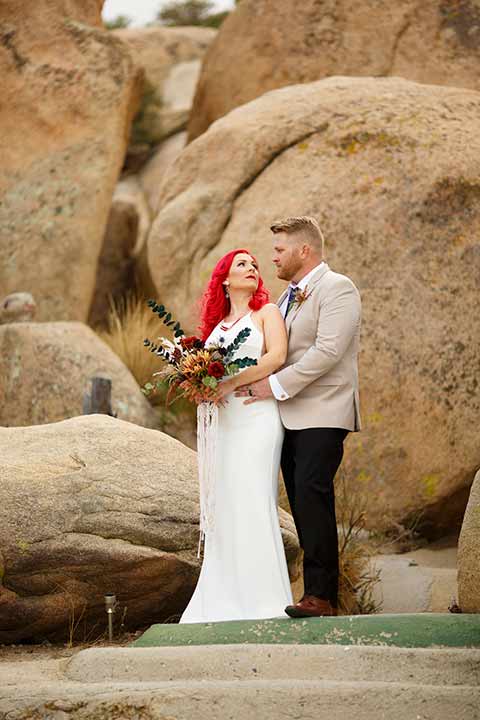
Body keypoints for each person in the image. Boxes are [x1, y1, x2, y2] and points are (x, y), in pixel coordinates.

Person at [236, 216, 362, 618]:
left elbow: (326, 353)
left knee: (313, 494)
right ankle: (312, 592)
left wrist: (271, 387)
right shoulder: (286, 297)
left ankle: (322, 597)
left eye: (279, 250)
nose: (272, 257)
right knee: (303, 502)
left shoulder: (338, 289)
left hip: (324, 412)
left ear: (303, 250)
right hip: (288, 415)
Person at [179, 249, 293, 623]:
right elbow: (206, 374)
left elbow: (276, 357)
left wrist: (227, 384)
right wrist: (201, 386)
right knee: (224, 502)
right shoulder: (215, 328)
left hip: (257, 417)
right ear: (224, 279)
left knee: (253, 496)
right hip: (224, 426)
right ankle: (223, 598)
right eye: (242, 264)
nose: (252, 268)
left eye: (255, 265)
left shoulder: (267, 313)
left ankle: (265, 599)